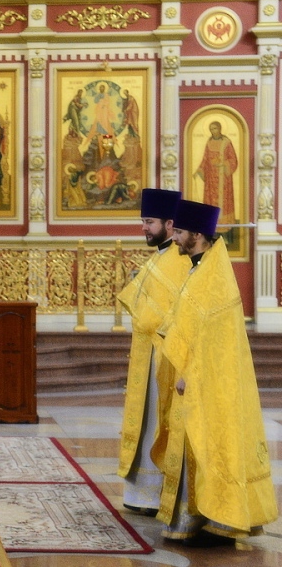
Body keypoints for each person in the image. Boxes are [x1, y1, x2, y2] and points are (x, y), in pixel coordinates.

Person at [154, 199, 278, 546]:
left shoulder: (214, 276)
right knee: (197, 446)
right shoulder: (201, 269)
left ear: (197, 235)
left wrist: (189, 374)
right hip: (196, 375)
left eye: (179, 232)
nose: (174, 237)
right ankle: (200, 516)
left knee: (213, 446)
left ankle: (219, 519)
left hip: (209, 380)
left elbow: (213, 338)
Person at [115, 189, 191, 517]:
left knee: (158, 424)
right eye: (143, 221)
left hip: (164, 357)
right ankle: (141, 493)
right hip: (146, 353)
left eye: (149, 221)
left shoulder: (179, 259)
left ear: (169, 224)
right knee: (146, 423)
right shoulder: (159, 257)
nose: (144, 227)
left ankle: (155, 495)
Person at [194, 120, 238, 224]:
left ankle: (224, 224)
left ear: (219, 128)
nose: (213, 131)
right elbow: (205, 159)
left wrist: (223, 163)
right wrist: (199, 170)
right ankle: (210, 223)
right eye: (211, 129)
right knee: (211, 201)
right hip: (211, 179)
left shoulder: (226, 142)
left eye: (215, 128)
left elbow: (233, 159)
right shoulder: (209, 142)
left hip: (224, 179)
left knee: (224, 201)